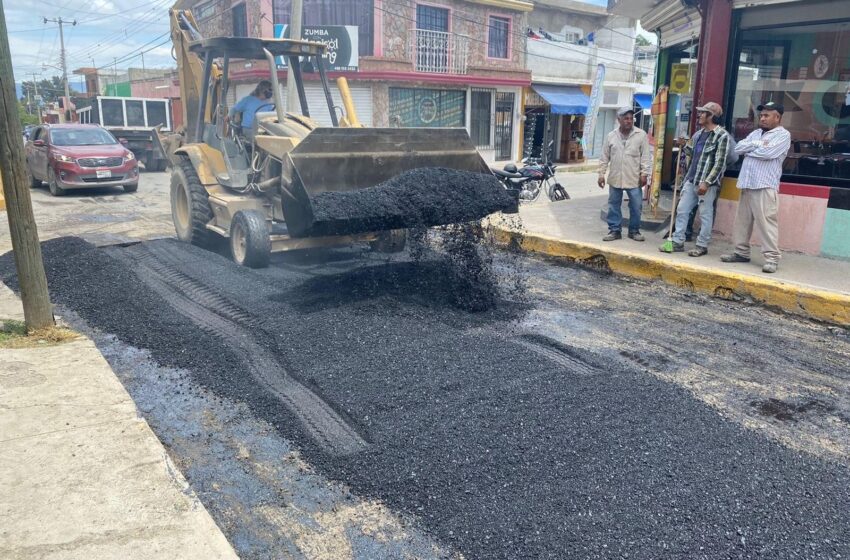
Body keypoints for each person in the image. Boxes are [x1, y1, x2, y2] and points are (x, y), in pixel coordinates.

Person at [720, 102, 791, 273]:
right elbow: (738, 148)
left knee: (767, 223)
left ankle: (772, 258)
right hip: (747, 183)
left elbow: (769, 154)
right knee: (742, 222)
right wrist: (759, 145)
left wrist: (752, 147)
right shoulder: (756, 133)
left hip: (765, 185)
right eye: (762, 115)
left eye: (767, 115)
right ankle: (741, 252)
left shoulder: (783, 135)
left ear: (778, 117)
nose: (763, 118)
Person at [660, 101, 730, 257]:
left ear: (711, 116)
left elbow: (720, 162)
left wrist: (707, 182)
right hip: (691, 180)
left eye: (703, 113)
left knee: (705, 214)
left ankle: (702, 245)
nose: (699, 115)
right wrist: (683, 145)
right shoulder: (699, 134)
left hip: (706, 183)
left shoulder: (721, 135)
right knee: (682, 210)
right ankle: (678, 241)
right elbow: (691, 152)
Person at [598, 107, 652, 242]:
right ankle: (615, 230)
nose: (629, 121)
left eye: (631, 118)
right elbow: (604, 157)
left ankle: (634, 231)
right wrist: (601, 174)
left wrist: (644, 173)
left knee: (636, 205)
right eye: (626, 118)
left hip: (633, 178)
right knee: (613, 205)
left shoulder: (641, 135)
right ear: (619, 120)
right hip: (615, 177)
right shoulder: (611, 136)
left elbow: (645, 156)